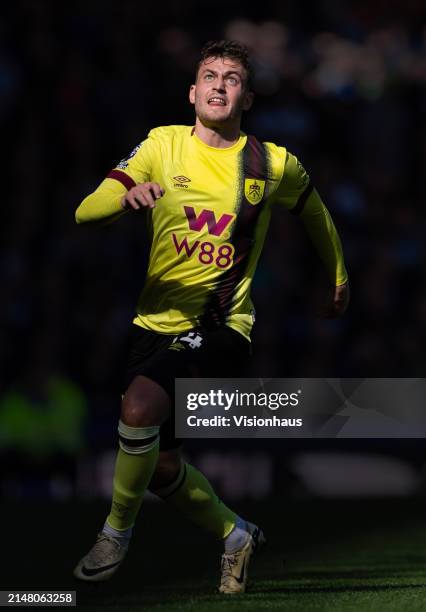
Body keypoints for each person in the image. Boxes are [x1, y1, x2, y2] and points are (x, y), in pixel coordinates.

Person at [73, 39, 349, 594]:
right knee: (164, 466)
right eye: (210, 75)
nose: (220, 84)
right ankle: (235, 534)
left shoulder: (269, 163)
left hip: (223, 328)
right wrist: (123, 198)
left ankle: (115, 532)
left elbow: (315, 211)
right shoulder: (161, 145)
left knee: (139, 405)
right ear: (192, 92)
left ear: (246, 97)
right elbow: (85, 211)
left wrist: (339, 275)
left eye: (232, 78)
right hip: (153, 325)